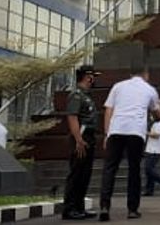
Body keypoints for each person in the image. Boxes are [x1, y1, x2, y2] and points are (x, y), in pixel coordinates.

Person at [99, 67, 160, 221]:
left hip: (116, 130)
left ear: (130, 74)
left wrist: (107, 134)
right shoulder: (150, 89)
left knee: (109, 169)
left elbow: (108, 110)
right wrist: (157, 114)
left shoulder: (118, 86)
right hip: (136, 132)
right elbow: (158, 114)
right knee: (134, 170)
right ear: (146, 74)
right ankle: (132, 209)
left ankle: (104, 207)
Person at [62, 65, 101, 221]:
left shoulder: (87, 95)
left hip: (89, 137)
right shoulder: (76, 95)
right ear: (87, 76)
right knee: (77, 173)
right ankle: (69, 209)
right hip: (81, 137)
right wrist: (78, 139)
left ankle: (79, 207)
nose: (95, 80)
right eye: (93, 76)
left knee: (85, 174)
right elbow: (72, 117)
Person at [143, 113, 160, 196]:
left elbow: (156, 135)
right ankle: (149, 190)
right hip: (151, 148)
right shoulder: (155, 120)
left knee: (149, 168)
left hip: (156, 149)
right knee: (149, 169)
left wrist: (145, 132)